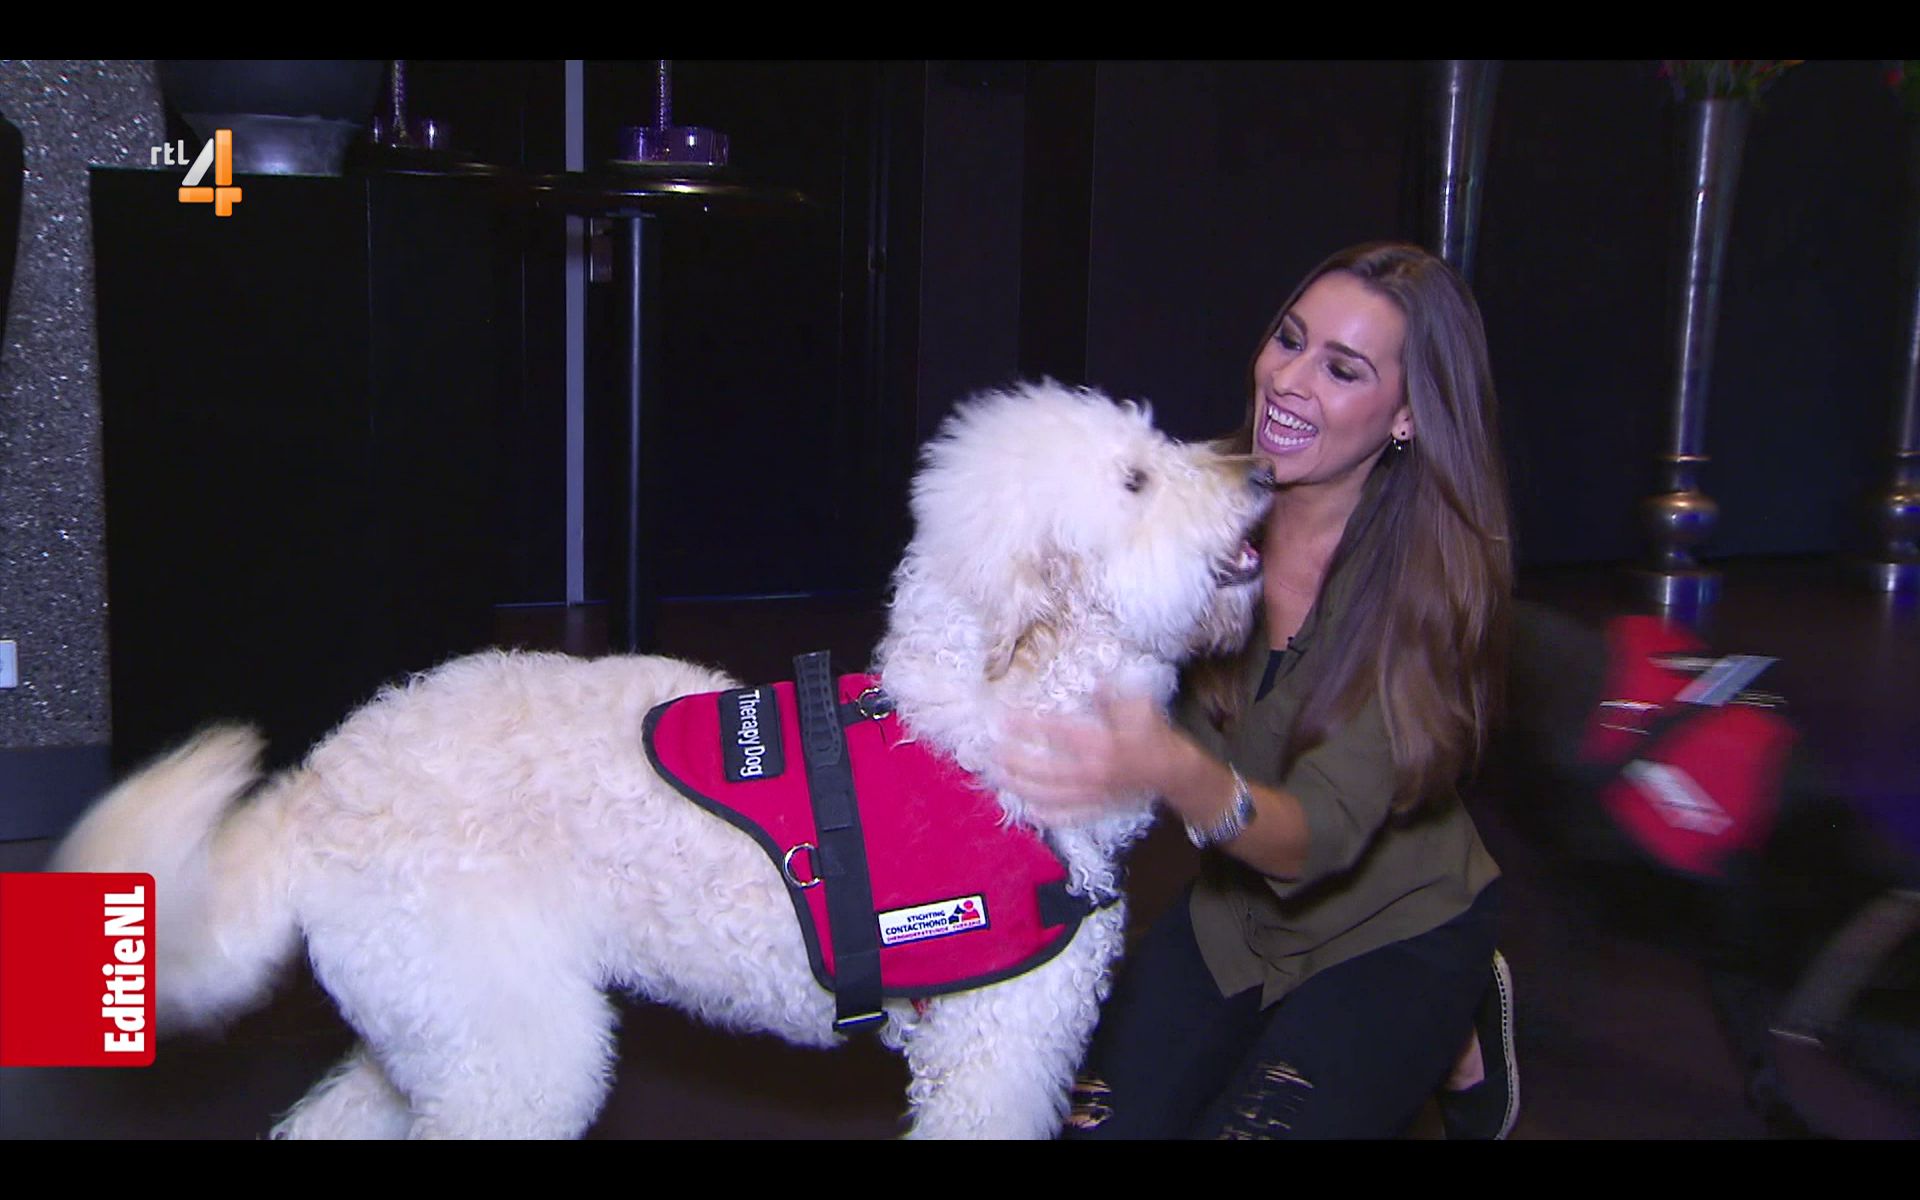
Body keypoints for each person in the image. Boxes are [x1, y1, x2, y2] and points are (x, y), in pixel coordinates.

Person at [996, 241, 1518, 1139]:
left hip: (1392, 926)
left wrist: (1169, 767)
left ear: (1407, 415)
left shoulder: (1433, 584)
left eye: (1342, 370)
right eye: (1290, 339)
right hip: (1234, 918)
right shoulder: (1187, 505)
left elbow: (1308, 843)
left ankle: (1457, 1021)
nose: (1288, 380)